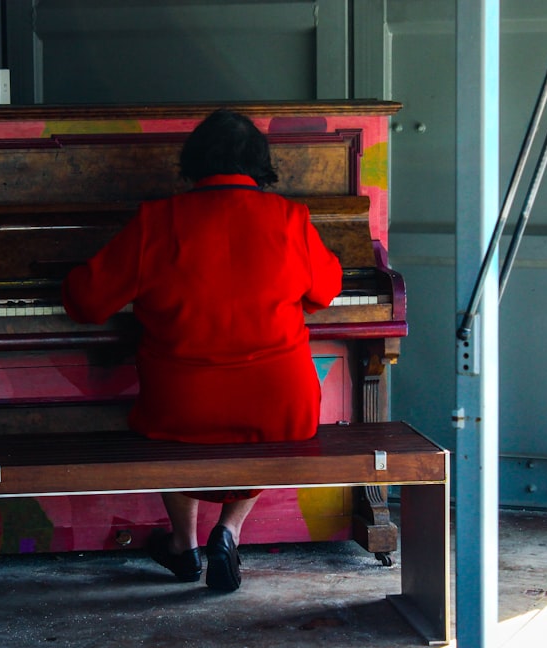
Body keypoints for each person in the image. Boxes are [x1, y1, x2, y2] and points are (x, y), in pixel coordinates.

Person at [62, 109, 343, 592]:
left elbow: (86, 302)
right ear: (259, 162)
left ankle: (183, 545)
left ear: (193, 162)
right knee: (262, 427)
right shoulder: (291, 218)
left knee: (173, 432)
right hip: (281, 404)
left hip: (181, 408)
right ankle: (228, 533)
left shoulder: (158, 220)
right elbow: (326, 291)